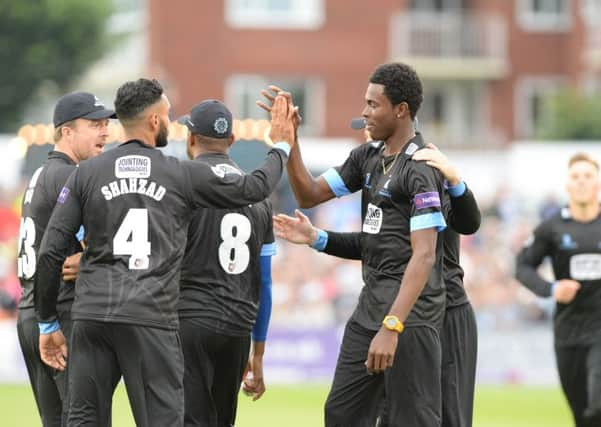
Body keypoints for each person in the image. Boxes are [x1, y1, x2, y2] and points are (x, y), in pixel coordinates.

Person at [33, 78, 295, 427]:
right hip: (149, 316)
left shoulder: (85, 175)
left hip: (93, 315)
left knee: (84, 420)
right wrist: (281, 145)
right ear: (154, 121)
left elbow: (50, 251)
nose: (171, 124)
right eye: (168, 115)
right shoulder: (179, 174)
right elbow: (255, 187)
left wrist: (48, 320)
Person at [261, 63, 448, 426]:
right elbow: (309, 193)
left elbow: (424, 255)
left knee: (410, 420)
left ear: (401, 110)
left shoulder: (421, 169)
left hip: (409, 318)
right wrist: (290, 140)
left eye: (373, 104)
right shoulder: (369, 158)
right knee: (342, 414)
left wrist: (392, 326)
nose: (364, 112)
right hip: (369, 311)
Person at [275, 144, 481, 427]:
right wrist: (318, 237)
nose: (368, 126)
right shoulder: (376, 164)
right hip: (399, 309)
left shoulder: (425, 167)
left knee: (448, 418)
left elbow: (468, 223)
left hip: (445, 312)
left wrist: (456, 182)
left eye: (375, 108)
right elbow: (376, 245)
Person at [16, 91, 115, 426]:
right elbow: (110, 242)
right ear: (67, 131)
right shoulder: (71, 177)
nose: (105, 131)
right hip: (61, 315)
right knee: (87, 419)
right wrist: (93, 261)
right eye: (95, 124)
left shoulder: (42, 174)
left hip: (33, 312)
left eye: (106, 124)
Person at [177, 100, 275, 426]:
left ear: (191, 138)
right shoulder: (259, 197)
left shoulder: (182, 180)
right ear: (232, 141)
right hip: (238, 328)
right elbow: (265, 283)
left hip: (190, 320)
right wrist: (258, 354)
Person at [516, 153, 601, 427]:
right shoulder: (552, 227)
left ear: (597, 182)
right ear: (567, 184)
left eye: (588, 176)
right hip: (568, 332)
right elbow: (523, 266)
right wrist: (551, 289)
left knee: (597, 405)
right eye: (575, 177)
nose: (581, 182)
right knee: (582, 413)